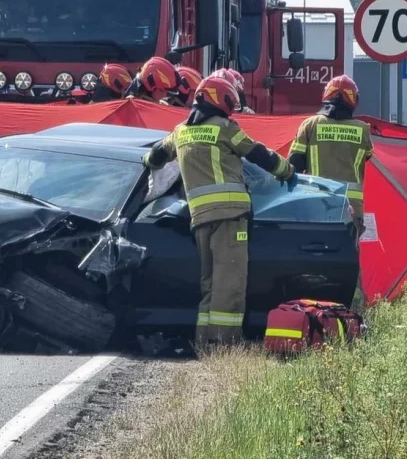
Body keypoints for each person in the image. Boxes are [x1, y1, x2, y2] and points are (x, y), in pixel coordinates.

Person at [143, 76, 296, 348]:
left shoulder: (180, 132)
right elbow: (257, 153)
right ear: (220, 100)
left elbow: (155, 156)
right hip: (230, 216)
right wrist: (286, 170)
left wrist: (143, 160)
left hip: (200, 218)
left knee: (210, 283)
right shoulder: (225, 128)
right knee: (230, 282)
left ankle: (205, 343)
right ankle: (225, 344)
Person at [288, 74, 372, 313]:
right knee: (349, 261)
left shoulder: (310, 125)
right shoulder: (362, 130)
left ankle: (311, 310)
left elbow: (293, 164)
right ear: (353, 99)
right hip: (351, 209)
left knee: (312, 260)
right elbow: (367, 156)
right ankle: (354, 312)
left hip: (317, 207)